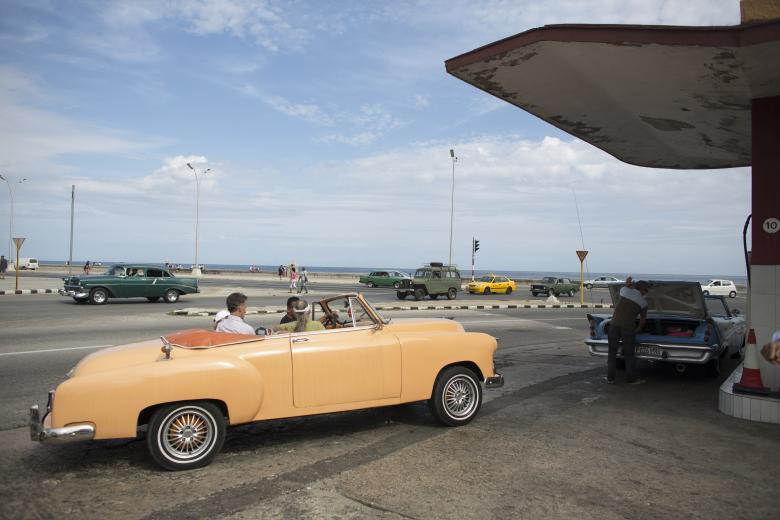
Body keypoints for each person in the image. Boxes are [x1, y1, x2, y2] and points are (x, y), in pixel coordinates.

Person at [606, 277, 650, 385]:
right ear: (643, 290)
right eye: (646, 290)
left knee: (612, 352)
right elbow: (643, 320)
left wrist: (629, 284)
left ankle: (610, 378)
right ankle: (631, 379)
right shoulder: (644, 303)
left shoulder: (624, 291)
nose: (647, 292)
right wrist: (638, 329)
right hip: (628, 328)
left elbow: (626, 285)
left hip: (614, 325)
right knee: (629, 354)